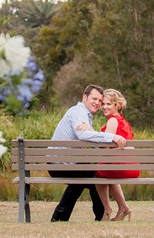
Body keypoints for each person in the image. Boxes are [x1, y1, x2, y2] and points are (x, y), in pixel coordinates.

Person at [49, 84, 127, 222]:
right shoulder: (78, 112)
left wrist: (91, 132)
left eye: (100, 101)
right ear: (84, 97)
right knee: (96, 176)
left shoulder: (84, 115)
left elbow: (89, 140)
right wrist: (112, 137)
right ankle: (101, 216)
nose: (97, 103)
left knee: (84, 179)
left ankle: (60, 217)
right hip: (60, 163)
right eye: (94, 99)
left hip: (65, 162)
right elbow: (83, 135)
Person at [78, 88, 138, 221]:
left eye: (108, 104)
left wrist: (88, 130)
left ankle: (107, 208)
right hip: (131, 167)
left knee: (98, 174)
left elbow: (104, 144)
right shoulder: (123, 122)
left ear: (117, 105)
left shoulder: (112, 121)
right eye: (103, 104)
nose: (104, 107)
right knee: (106, 171)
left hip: (121, 167)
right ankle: (123, 208)